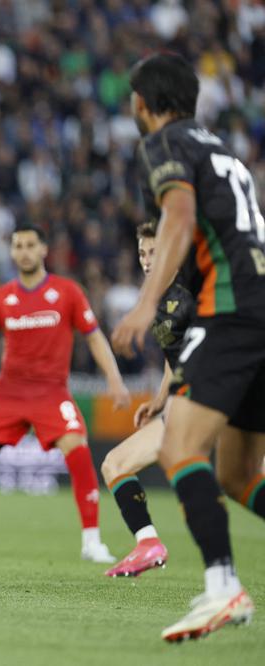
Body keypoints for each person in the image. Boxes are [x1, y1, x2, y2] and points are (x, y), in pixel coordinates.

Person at [112, 52, 265, 641]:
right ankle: (222, 584)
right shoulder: (223, 149)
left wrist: (147, 302)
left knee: (180, 448)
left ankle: (223, 589)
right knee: (238, 471)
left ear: (145, 104)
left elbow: (177, 216)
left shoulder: (165, 143)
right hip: (255, 306)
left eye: (133, 100)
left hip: (231, 309)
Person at [0, 224, 130, 563]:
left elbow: (93, 336)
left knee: (78, 455)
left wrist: (115, 380)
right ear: (13, 252)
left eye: (31, 245)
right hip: (8, 392)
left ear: (44, 249)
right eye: (18, 246)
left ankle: (92, 541)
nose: (24, 251)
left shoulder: (67, 292)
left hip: (51, 393)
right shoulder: (1, 298)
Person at [100, 222, 194, 577]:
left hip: (223, 401)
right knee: (115, 464)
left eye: (155, 251)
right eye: (142, 252)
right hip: (187, 403)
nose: (147, 260)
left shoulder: (196, 291)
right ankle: (148, 543)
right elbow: (176, 358)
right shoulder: (155, 299)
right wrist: (159, 399)